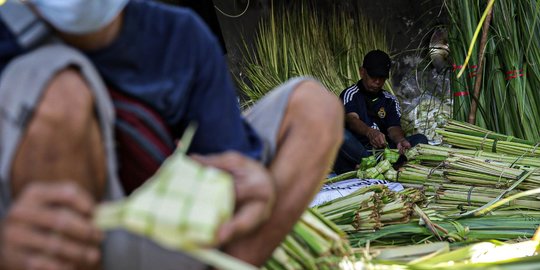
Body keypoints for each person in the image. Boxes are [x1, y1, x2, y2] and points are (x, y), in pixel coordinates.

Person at [0, 0, 344, 269]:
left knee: (316, 108)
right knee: (57, 88)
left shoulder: (179, 36)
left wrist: (249, 181)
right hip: (42, 245)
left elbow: (231, 167)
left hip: (159, 232)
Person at [333, 49, 428, 174]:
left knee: (421, 140)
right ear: (362, 72)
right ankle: (381, 165)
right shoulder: (350, 94)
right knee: (340, 134)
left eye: (382, 78)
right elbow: (352, 120)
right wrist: (369, 132)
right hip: (359, 151)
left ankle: (380, 166)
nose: (377, 82)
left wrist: (400, 140)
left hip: (384, 152)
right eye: (373, 76)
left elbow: (393, 127)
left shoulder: (390, 100)